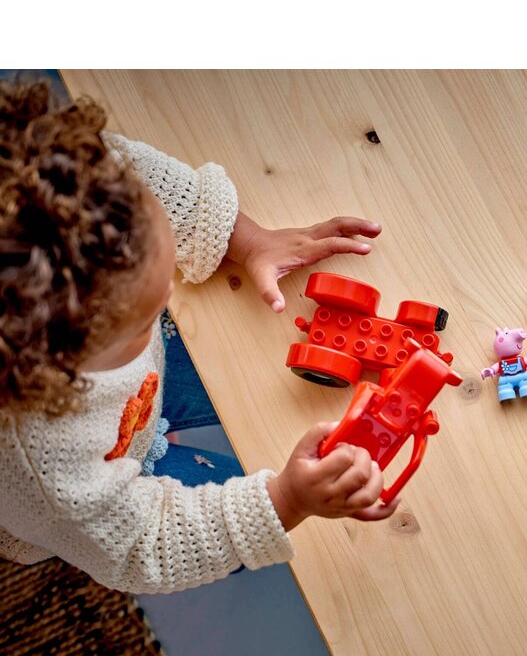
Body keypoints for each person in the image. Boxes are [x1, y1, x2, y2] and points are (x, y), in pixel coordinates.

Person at [0, 80, 398, 595]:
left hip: (131, 394)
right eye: (144, 317)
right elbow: (144, 545)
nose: (171, 291)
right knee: (227, 514)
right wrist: (287, 500)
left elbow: (137, 174)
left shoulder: (64, 174)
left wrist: (248, 240)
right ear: (52, 369)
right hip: (102, 491)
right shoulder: (45, 469)